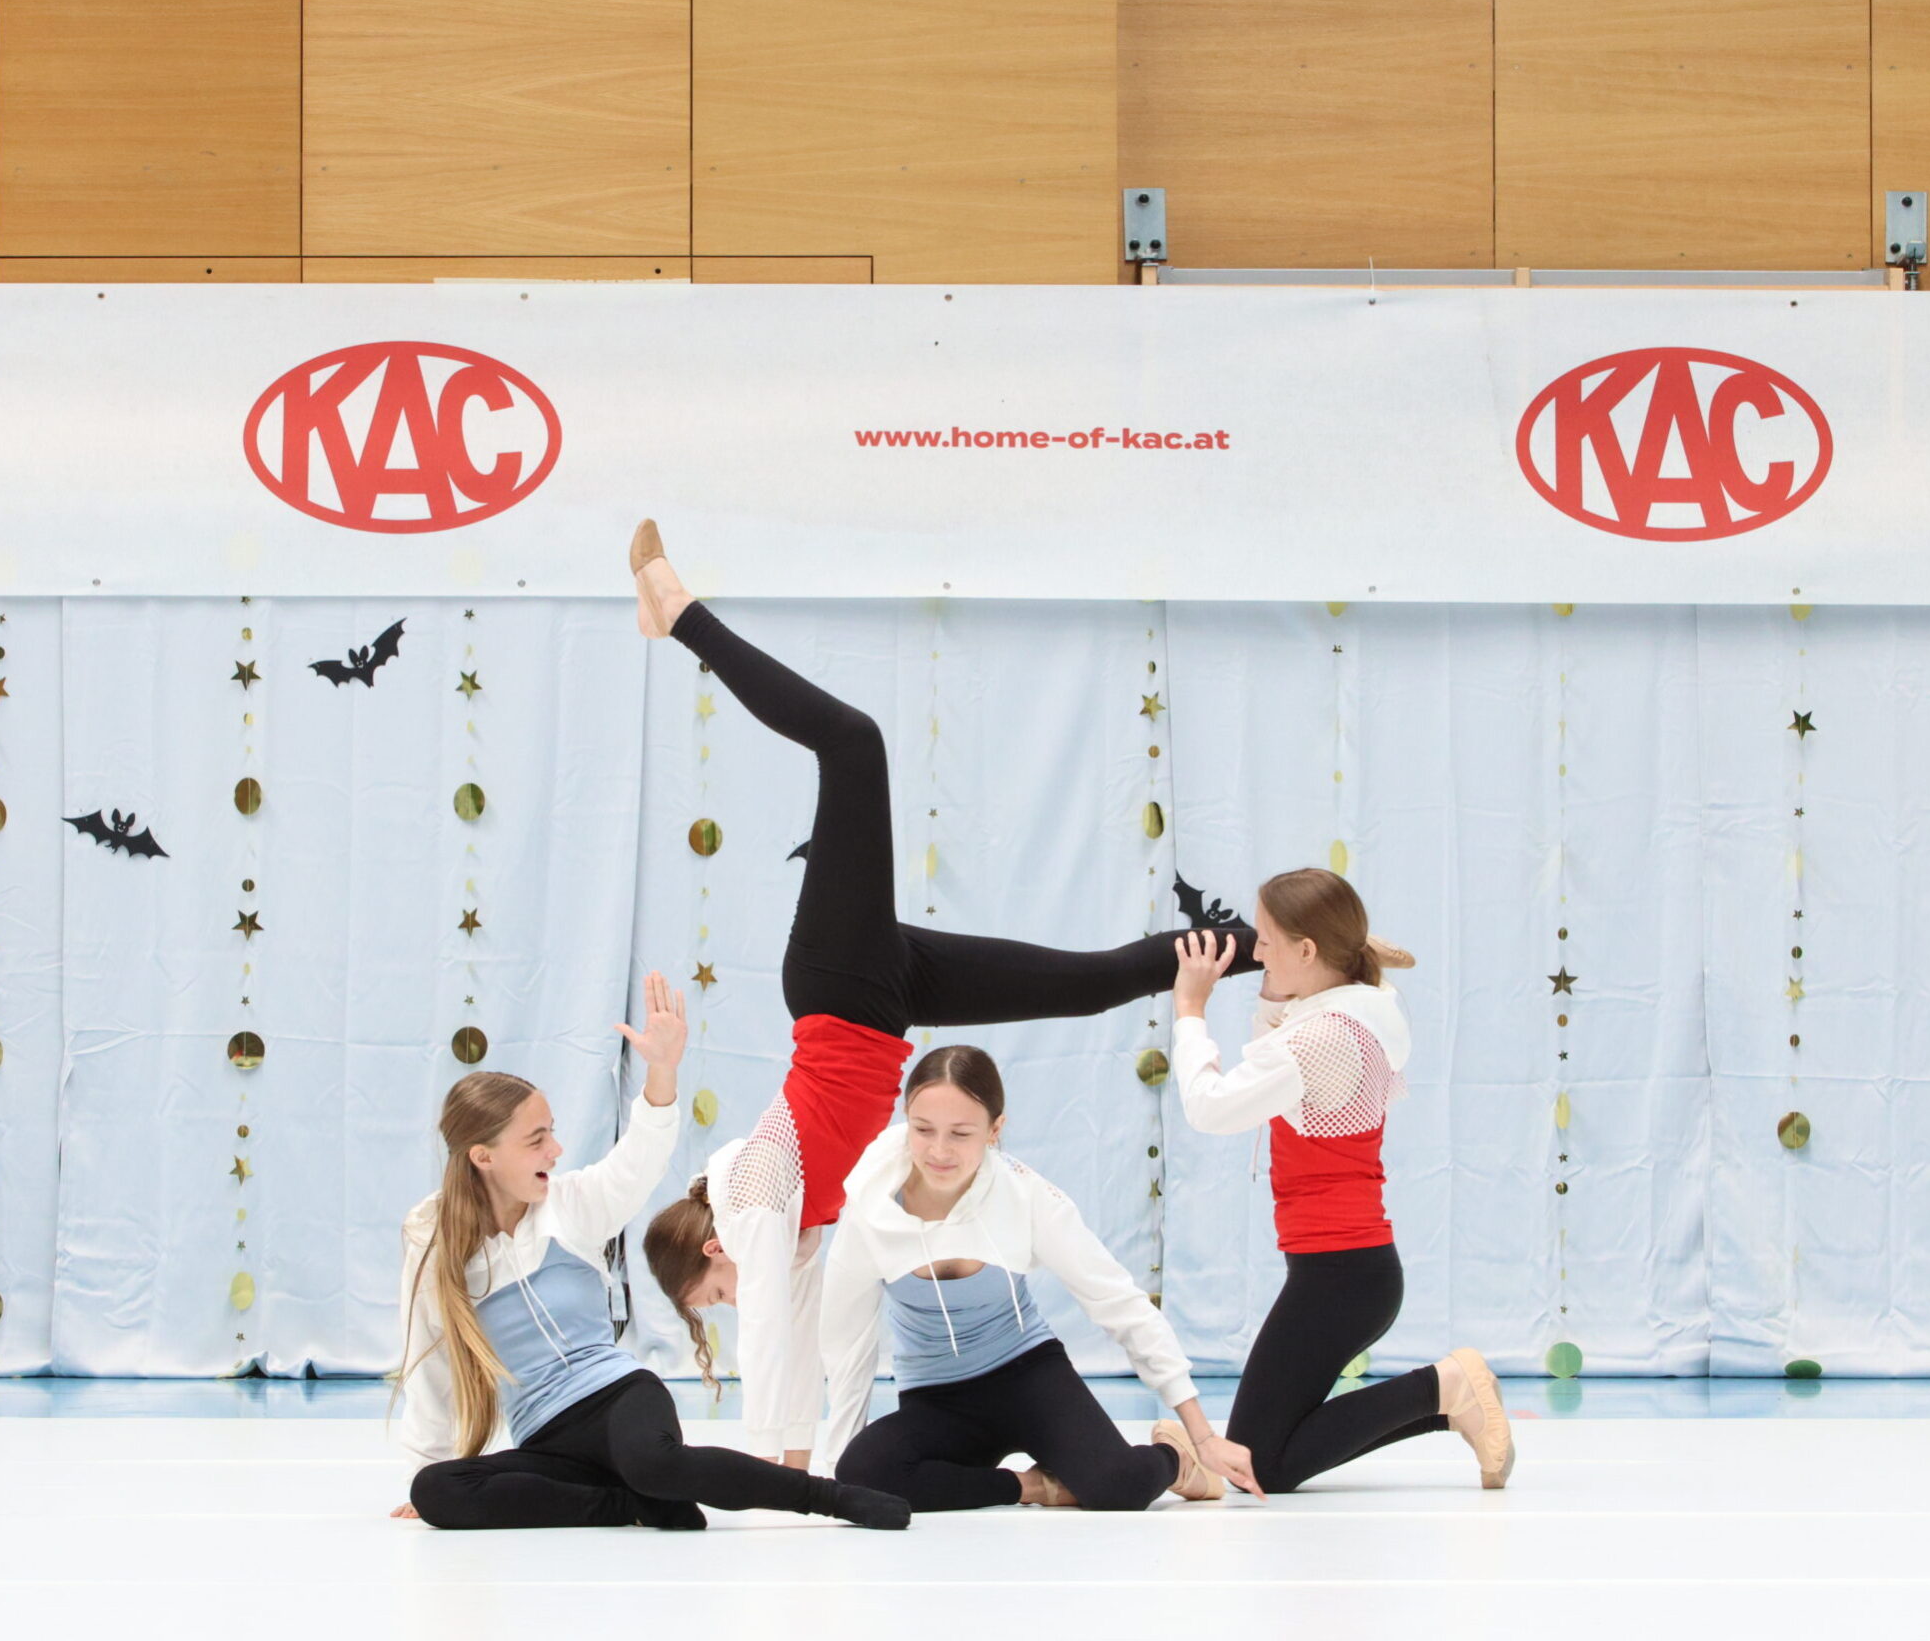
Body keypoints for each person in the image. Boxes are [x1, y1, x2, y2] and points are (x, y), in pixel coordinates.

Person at [630, 519, 1263, 1466]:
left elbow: (765, 1337)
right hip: (887, 1008)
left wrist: (773, 1474)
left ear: (713, 1253)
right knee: (1092, 983)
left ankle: (677, 613)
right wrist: (810, 1469)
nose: (727, 1304)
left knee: (853, 744)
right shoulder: (798, 1231)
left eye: (710, 1296)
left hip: (842, 989)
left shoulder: (756, 1197)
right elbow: (820, 1345)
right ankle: (1282, 953)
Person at [389, 973, 909, 1531]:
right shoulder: (431, 1239)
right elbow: (429, 1360)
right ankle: (633, 1504)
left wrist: (662, 1070)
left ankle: (830, 1498)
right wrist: (428, 1463)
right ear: (483, 1157)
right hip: (544, 1435)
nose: (556, 1149)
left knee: (654, 1464)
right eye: (536, 1139)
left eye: (552, 1132)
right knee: (437, 1490)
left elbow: (639, 1160)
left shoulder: (571, 1205)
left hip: (618, 1400)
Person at [1171, 869, 1514, 1491]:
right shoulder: (1356, 1009)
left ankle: (1445, 1384)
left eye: (1266, 940)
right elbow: (1275, 1044)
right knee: (1269, 1450)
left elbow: (1210, 1108)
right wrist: (1284, 983)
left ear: (1308, 951)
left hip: (1339, 1276)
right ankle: (1446, 1400)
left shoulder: (1319, 1038)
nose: (1255, 952)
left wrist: (1190, 1011)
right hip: (1349, 1272)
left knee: (1262, 1463)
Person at [818, 1044, 1262, 1511]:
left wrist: (1202, 1434)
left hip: (1028, 1376)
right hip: (936, 1398)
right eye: (923, 1129)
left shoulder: (1024, 1195)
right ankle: (1037, 1487)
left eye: (961, 1133)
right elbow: (847, 1340)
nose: (939, 1151)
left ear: (995, 1130)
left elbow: (1116, 1300)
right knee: (863, 1472)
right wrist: (839, 1465)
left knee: (1119, 1488)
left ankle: (1176, 1457)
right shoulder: (871, 1202)